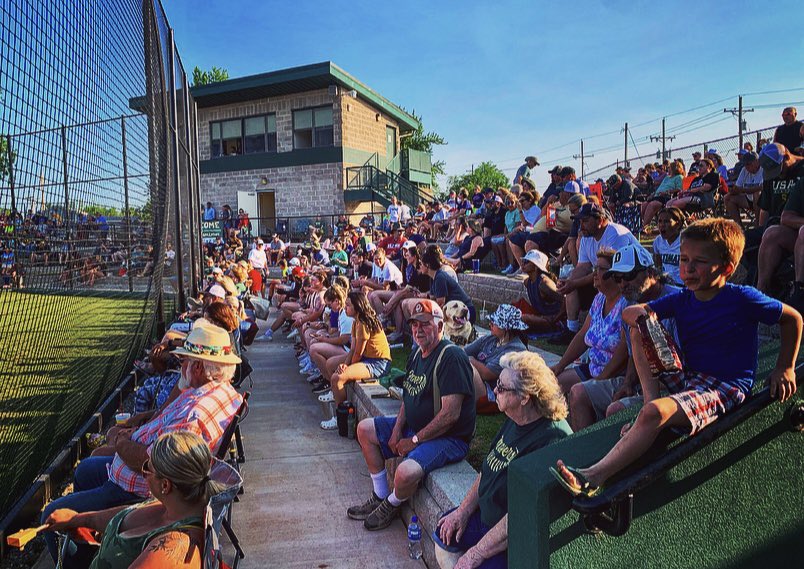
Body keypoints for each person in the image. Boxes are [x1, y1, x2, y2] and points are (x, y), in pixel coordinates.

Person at [552, 218, 802, 498]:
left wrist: (786, 367)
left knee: (654, 413)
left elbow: (793, 319)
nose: (688, 268)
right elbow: (630, 313)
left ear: (727, 268)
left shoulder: (742, 298)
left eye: (699, 261)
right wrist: (645, 318)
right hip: (689, 378)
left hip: (724, 387)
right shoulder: (685, 298)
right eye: (684, 259)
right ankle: (650, 401)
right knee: (640, 327)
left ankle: (592, 476)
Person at [40, 324, 243, 565]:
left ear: (198, 366)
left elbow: (151, 463)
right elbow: (163, 430)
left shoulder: (194, 416)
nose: (181, 367)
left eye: (185, 361)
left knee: (49, 517)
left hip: (139, 488)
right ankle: (91, 545)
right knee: (86, 469)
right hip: (147, 479)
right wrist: (137, 427)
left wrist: (119, 440)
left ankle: (83, 556)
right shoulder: (214, 391)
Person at [434, 351, 571, 569]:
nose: (495, 390)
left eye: (502, 387)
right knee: (444, 532)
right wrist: (462, 511)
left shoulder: (552, 438)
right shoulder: (516, 417)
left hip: (513, 538)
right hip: (488, 519)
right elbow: (488, 469)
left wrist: (476, 552)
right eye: (497, 383)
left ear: (525, 397)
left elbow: (522, 516)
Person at [348, 300, 476, 531]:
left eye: (425, 325)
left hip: (448, 438)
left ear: (440, 327)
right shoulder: (417, 353)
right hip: (417, 429)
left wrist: (414, 440)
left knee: (404, 472)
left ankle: (391, 504)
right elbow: (409, 396)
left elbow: (450, 415)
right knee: (364, 429)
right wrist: (397, 431)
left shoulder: (451, 357)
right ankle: (379, 495)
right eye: (414, 324)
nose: (418, 330)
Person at [44, 431, 229, 569]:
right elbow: (124, 516)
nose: (143, 472)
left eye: (148, 467)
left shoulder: (174, 547)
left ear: (165, 485)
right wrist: (78, 519)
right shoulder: (173, 506)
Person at [568, 245, 680, 431]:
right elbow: (632, 354)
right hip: (639, 380)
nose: (622, 284)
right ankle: (583, 454)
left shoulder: (675, 299)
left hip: (673, 384)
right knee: (578, 392)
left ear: (651, 272)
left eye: (628, 276)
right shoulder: (629, 303)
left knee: (617, 409)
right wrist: (628, 383)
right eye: (618, 278)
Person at [556, 203, 641, 344]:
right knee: (571, 282)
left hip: (627, 280)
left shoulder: (615, 234)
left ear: (600, 220)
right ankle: (571, 330)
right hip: (605, 277)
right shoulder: (586, 237)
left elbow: (611, 270)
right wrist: (568, 282)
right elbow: (583, 267)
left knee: (578, 283)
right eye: (580, 221)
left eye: (585, 221)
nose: (581, 225)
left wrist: (574, 283)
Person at [551, 248, 628, 395]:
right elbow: (582, 335)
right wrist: (560, 365)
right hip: (593, 368)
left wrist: (598, 381)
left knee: (578, 392)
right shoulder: (599, 298)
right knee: (550, 384)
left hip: (614, 375)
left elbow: (624, 352)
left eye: (600, 269)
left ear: (614, 275)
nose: (594, 273)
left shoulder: (625, 304)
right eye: (594, 268)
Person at [317, 291, 391, 428]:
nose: (345, 308)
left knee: (337, 378)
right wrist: (345, 365)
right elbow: (352, 349)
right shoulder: (355, 321)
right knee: (330, 364)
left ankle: (340, 418)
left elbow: (358, 353)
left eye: (348, 305)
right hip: (364, 357)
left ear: (358, 306)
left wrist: (346, 369)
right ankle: (336, 393)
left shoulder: (363, 323)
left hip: (377, 363)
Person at [465, 305, 528, 407]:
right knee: (457, 358)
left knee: (466, 364)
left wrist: (471, 360)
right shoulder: (490, 339)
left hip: (492, 392)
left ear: (505, 328)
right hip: (478, 383)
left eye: (494, 323)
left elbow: (487, 374)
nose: (490, 324)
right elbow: (464, 351)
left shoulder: (515, 349)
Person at [517, 249, 563, 332]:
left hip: (555, 321)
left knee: (522, 319)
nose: (522, 264)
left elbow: (566, 301)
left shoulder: (544, 283)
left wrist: (554, 319)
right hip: (541, 317)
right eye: (523, 261)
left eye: (527, 261)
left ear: (536, 266)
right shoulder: (527, 282)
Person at [641, 160, 686, 229]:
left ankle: (644, 227)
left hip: (666, 197)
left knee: (652, 205)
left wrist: (667, 192)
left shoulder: (679, 177)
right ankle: (640, 225)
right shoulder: (667, 177)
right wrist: (653, 194)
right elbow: (660, 188)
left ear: (675, 168)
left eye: (670, 168)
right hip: (657, 195)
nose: (668, 169)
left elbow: (679, 189)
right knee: (643, 205)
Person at [725, 151, 763, 227]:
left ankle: (758, 224)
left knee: (757, 194)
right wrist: (732, 191)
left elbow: (762, 187)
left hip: (762, 202)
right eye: (745, 164)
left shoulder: (763, 169)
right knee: (728, 198)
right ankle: (739, 227)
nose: (747, 167)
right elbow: (738, 186)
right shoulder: (744, 170)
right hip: (748, 200)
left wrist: (743, 190)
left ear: (756, 161)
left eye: (749, 164)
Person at [652, 207, 684, 286]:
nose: (662, 225)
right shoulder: (658, 241)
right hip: (667, 285)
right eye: (659, 221)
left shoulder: (686, 240)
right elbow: (658, 264)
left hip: (683, 285)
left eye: (666, 222)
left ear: (678, 224)